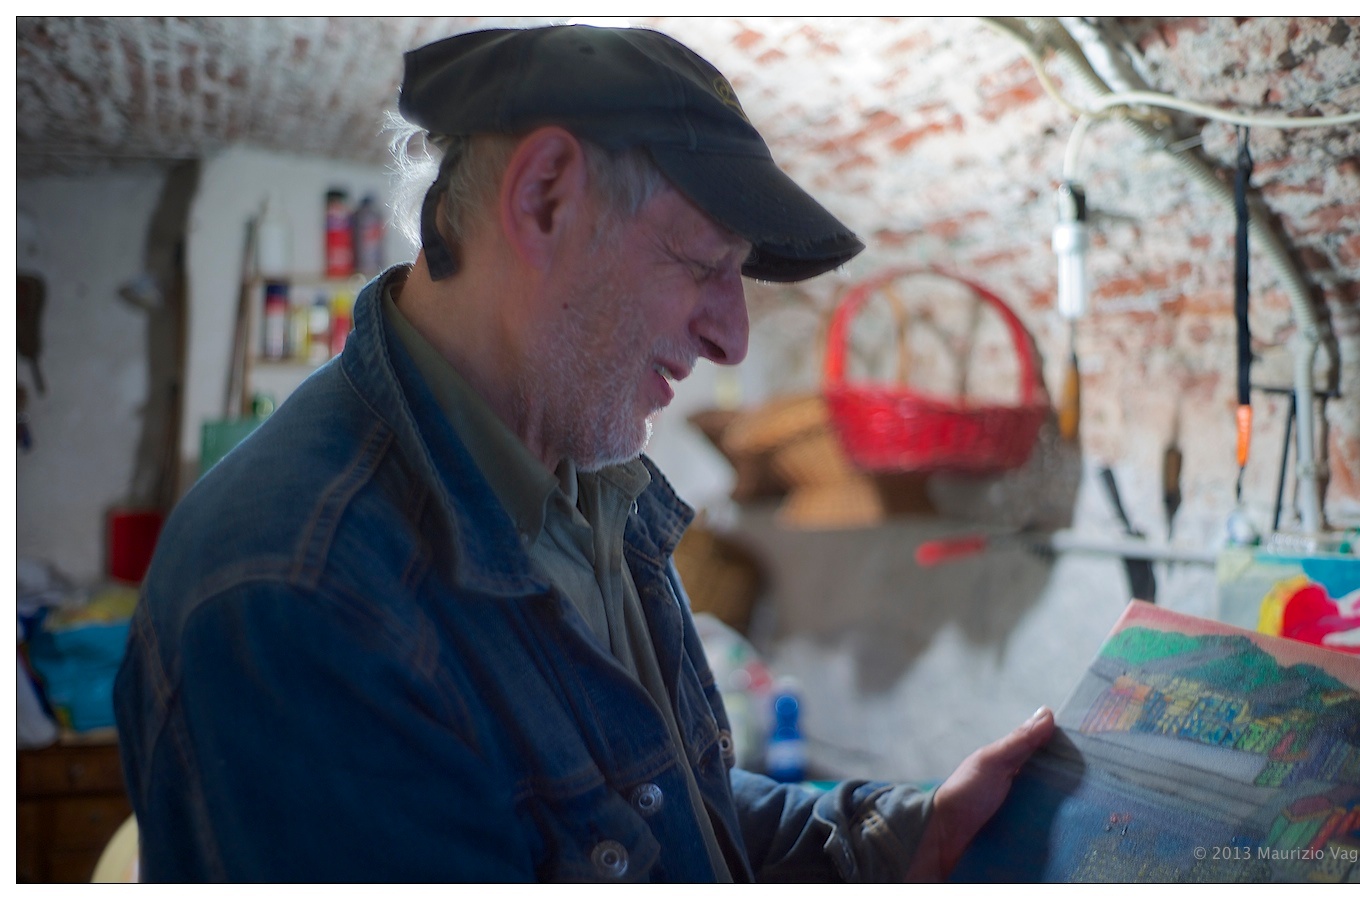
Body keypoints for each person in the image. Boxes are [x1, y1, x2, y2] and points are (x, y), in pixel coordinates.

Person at [114, 24, 1054, 882]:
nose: (732, 337)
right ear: (544, 199)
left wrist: (903, 835)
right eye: (703, 265)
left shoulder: (584, 484)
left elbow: (658, 809)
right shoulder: (303, 591)